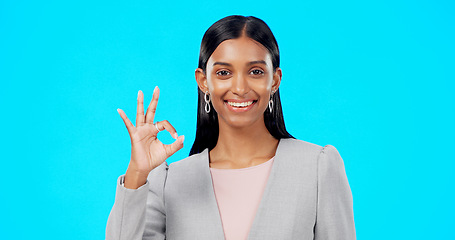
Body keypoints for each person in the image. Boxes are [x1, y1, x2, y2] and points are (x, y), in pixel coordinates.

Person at [106, 15, 356, 240]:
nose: (239, 87)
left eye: (256, 71)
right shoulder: (170, 181)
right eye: (224, 72)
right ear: (204, 81)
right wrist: (137, 173)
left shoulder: (318, 168)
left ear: (275, 80)